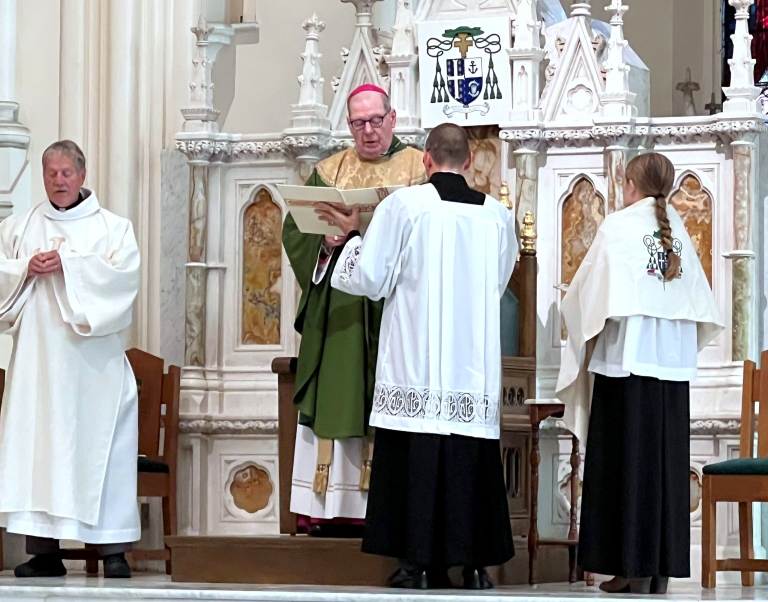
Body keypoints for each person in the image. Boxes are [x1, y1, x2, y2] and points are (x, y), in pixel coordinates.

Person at [318, 123, 517, 589]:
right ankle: (474, 567)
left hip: (416, 361)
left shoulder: (403, 207)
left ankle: (416, 564)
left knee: (416, 460)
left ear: (426, 160)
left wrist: (349, 239)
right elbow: (499, 281)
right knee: (469, 459)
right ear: (469, 162)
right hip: (470, 366)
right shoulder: (497, 217)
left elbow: (369, 279)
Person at [556, 152, 723, 594]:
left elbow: (586, 294)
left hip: (626, 368)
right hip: (670, 371)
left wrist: (570, 308)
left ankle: (628, 566)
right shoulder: (679, 231)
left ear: (630, 184)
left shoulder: (619, 226)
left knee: (624, 465)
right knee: (663, 468)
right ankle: (659, 568)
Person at [0, 140, 141, 578]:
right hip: (40, 367)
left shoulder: (113, 228)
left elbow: (123, 278)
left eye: (66, 172)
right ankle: (43, 552)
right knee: (41, 448)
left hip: (94, 369)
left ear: (82, 175)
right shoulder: (22, 227)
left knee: (103, 449)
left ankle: (113, 551)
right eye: (51, 173)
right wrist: (24, 269)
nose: (58, 180)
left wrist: (69, 266)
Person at [283, 83, 426, 535]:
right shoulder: (330, 171)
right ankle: (331, 509)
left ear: (393, 118)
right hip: (341, 312)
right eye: (358, 123)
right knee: (340, 395)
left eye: (375, 121)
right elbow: (294, 231)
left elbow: (428, 236)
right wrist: (325, 243)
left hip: (393, 307)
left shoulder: (417, 169)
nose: (367, 131)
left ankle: (387, 509)